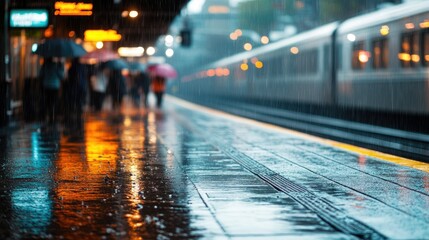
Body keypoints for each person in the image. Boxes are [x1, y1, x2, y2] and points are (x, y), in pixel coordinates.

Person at [39, 57, 65, 123]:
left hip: (46, 86)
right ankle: (53, 116)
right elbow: (61, 75)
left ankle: (46, 116)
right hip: (55, 86)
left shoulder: (45, 66)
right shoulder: (56, 65)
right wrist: (60, 66)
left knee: (47, 101)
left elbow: (40, 75)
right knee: (54, 102)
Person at [64, 57, 88, 122]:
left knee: (75, 101)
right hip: (81, 87)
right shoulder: (82, 67)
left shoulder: (72, 68)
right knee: (80, 101)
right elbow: (85, 75)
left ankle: (75, 113)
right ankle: (79, 113)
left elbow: (70, 77)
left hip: (74, 88)